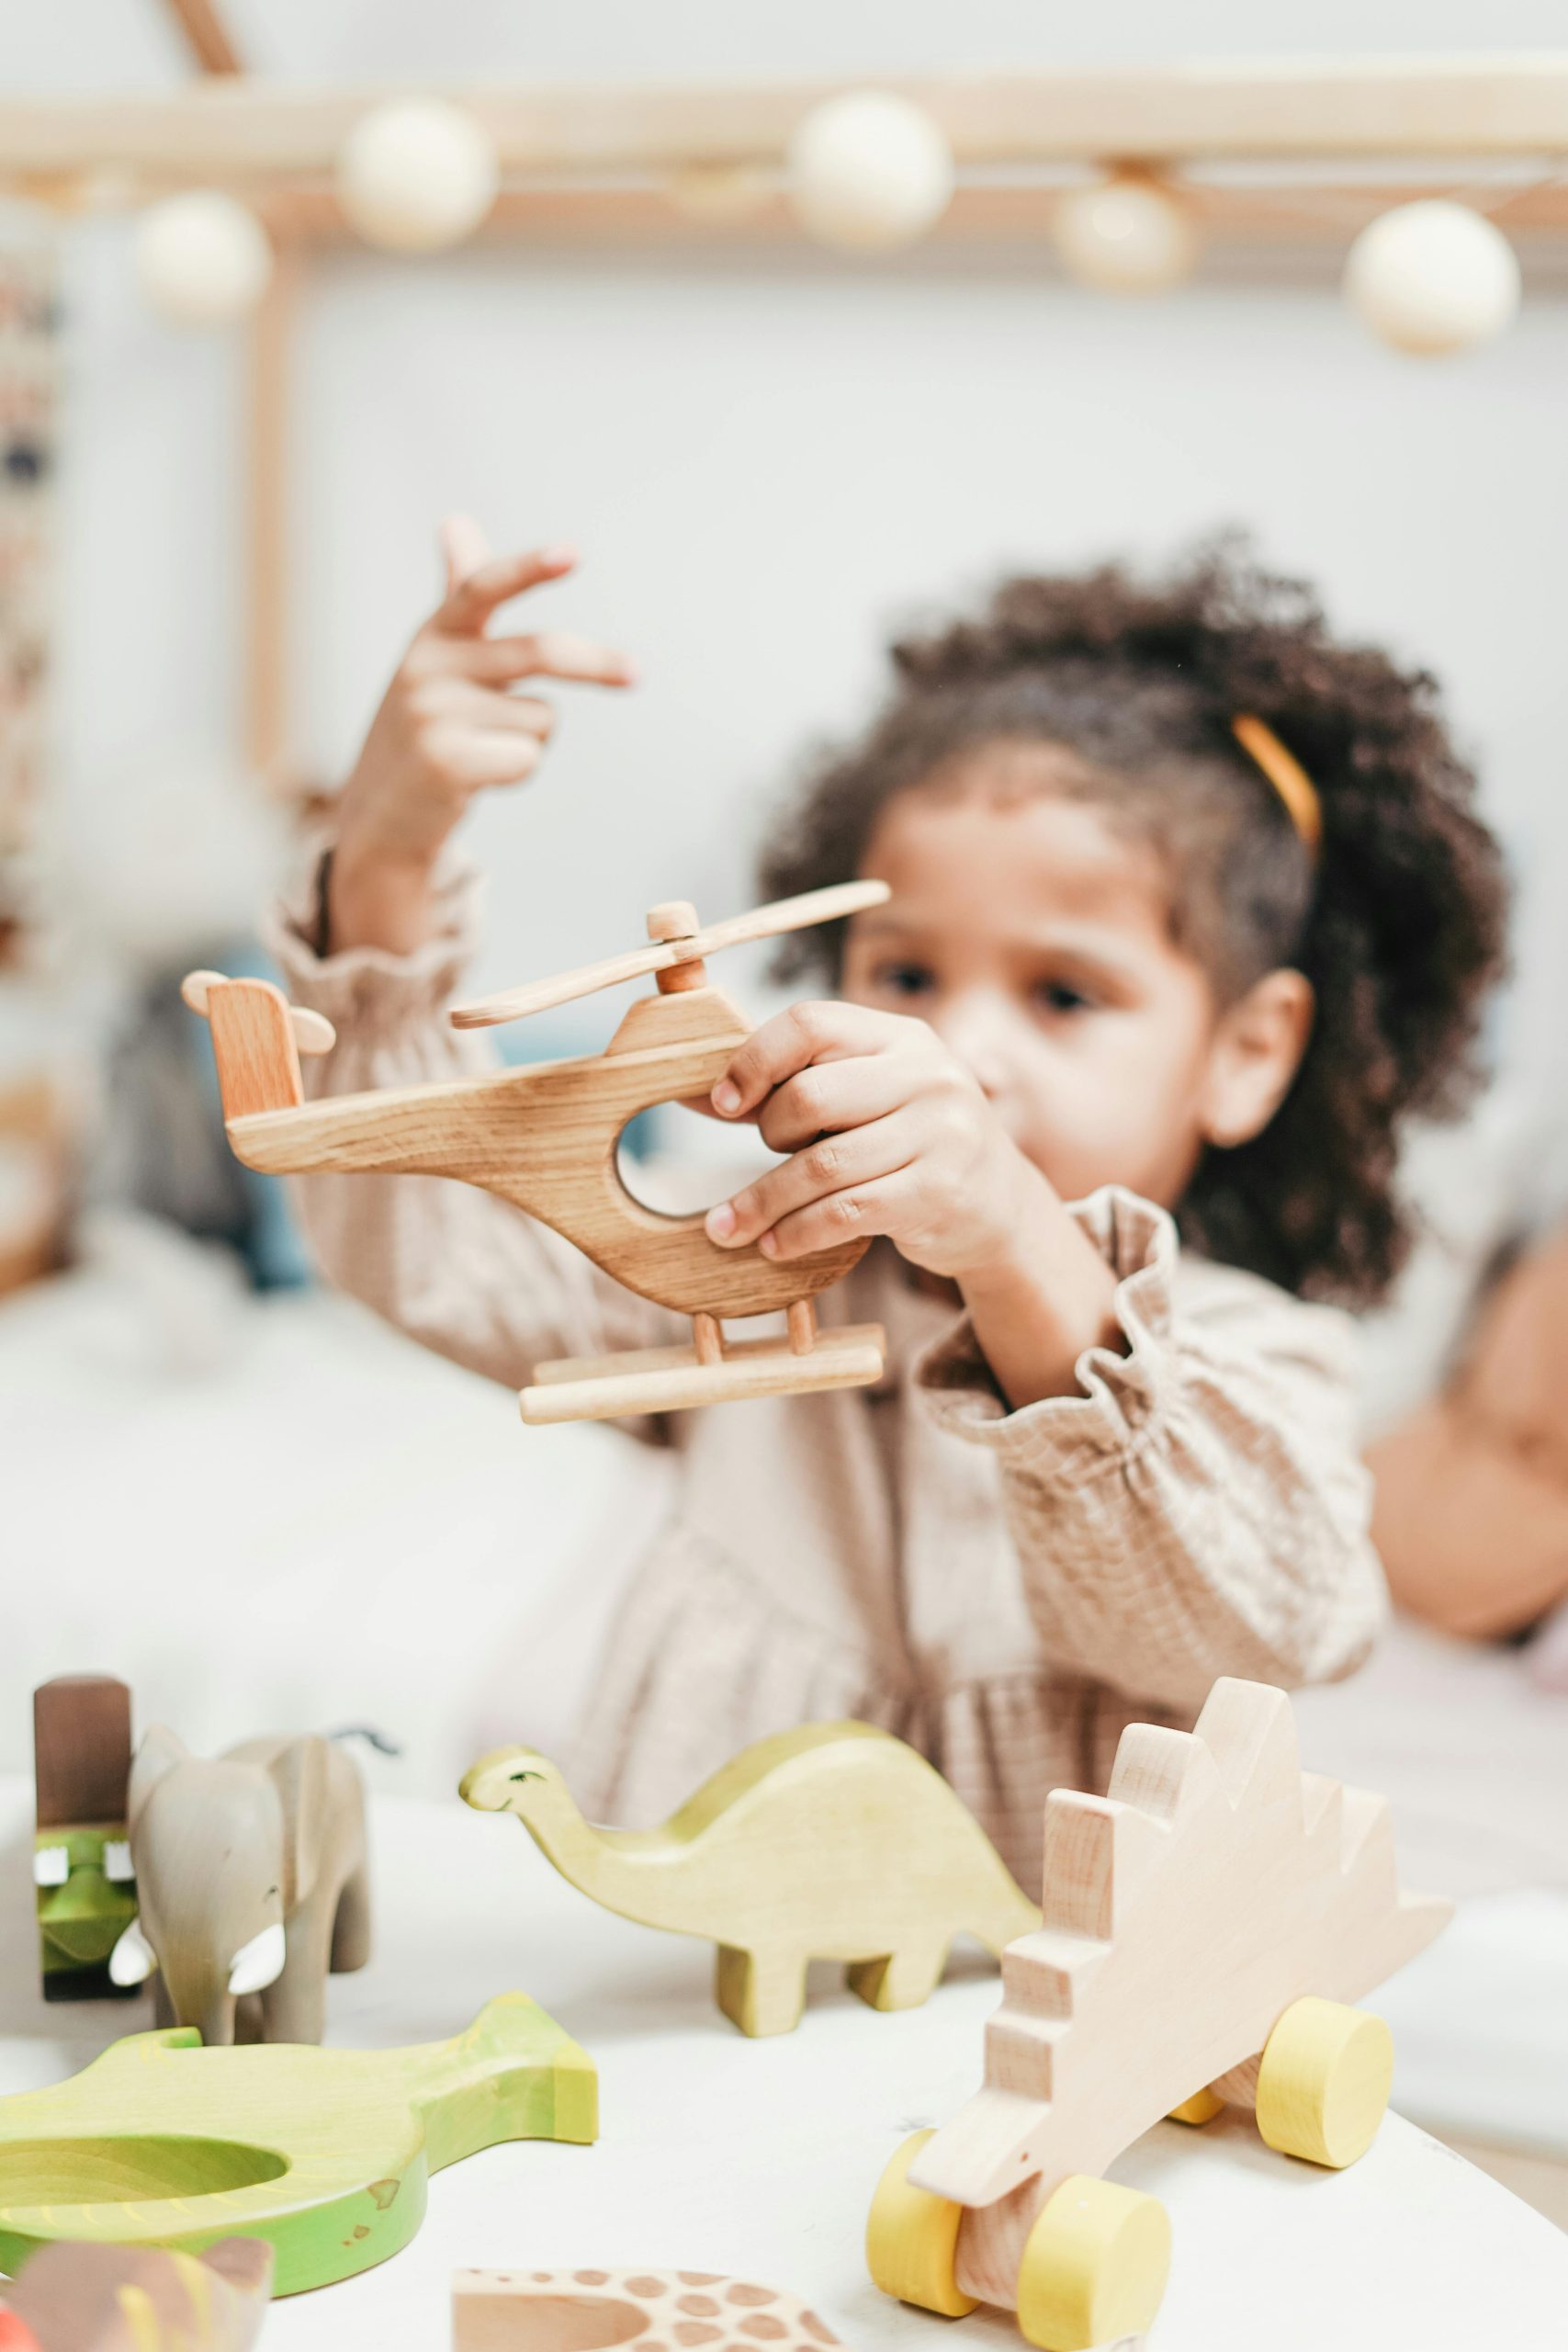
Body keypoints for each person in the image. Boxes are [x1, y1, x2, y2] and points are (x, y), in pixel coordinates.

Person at [265, 525, 1506, 1891]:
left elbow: (1260, 1623)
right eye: (905, 974)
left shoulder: (1245, 1367)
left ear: (1247, 1053)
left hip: (1046, 2010)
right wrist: (382, 856)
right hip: (712, 1954)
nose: (963, 1052)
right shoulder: (742, 1248)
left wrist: (1017, 1245)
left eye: (1065, 996)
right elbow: (432, 1249)